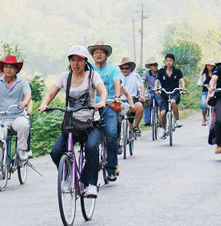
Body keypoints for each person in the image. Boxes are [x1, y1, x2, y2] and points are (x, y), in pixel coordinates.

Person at [38, 45, 107, 198]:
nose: (76, 64)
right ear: (69, 61)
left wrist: (101, 101)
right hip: (71, 124)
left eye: (79, 60)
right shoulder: (65, 77)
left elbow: (103, 90)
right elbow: (50, 93)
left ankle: (91, 184)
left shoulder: (92, 76)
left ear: (85, 61)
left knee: (91, 148)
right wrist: (44, 104)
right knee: (56, 151)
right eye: (73, 60)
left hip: (91, 123)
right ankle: (68, 176)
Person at [87, 42, 131, 181]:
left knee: (111, 134)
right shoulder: (88, 68)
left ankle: (111, 167)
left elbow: (117, 82)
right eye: (95, 52)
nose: (98, 54)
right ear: (92, 55)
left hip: (109, 103)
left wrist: (117, 96)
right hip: (91, 105)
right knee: (85, 135)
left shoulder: (113, 69)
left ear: (106, 55)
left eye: (101, 52)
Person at [0, 55, 32, 161]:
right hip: (1, 118)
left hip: (17, 116)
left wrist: (24, 102)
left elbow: (28, 94)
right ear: (2, 69)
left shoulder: (22, 82)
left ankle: (21, 149)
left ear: (16, 69)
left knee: (24, 125)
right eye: (6, 66)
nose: (8, 69)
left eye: (12, 67)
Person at [154, 53, 185, 138]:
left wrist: (182, 88)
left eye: (170, 61)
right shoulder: (161, 71)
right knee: (162, 113)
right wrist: (156, 88)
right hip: (164, 94)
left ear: (173, 62)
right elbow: (157, 80)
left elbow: (181, 80)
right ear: (165, 61)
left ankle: (177, 120)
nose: (169, 62)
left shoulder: (177, 71)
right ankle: (163, 128)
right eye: (167, 61)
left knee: (173, 102)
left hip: (175, 93)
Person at [119, 57, 145, 135]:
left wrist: (142, 95)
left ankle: (135, 126)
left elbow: (141, 86)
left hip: (133, 99)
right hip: (120, 100)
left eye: (126, 68)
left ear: (130, 68)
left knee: (140, 107)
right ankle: (118, 135)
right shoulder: (117, 76)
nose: (124, 70)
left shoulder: (135, 75)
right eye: (122, 68)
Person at [142, 58, 161, 126]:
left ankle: (162, 120)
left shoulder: (160, 72)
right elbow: (143, 80)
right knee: (146, 102)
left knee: (160, 103)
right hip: (150, 91)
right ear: (150, 66)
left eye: (156, 65)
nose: (155, 66)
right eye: (153, 65)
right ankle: (147, 121)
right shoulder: (146, 73)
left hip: (159, 91)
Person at [197, 60, 216, 126]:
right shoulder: (203, 73)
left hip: (214, 91)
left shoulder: (216, 73)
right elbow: (199, 81)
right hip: (205, 91)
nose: (209, 66)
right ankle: (204, 118)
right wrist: (200, 84)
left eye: (211, 65)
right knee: (203, 105)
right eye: (208, 65)